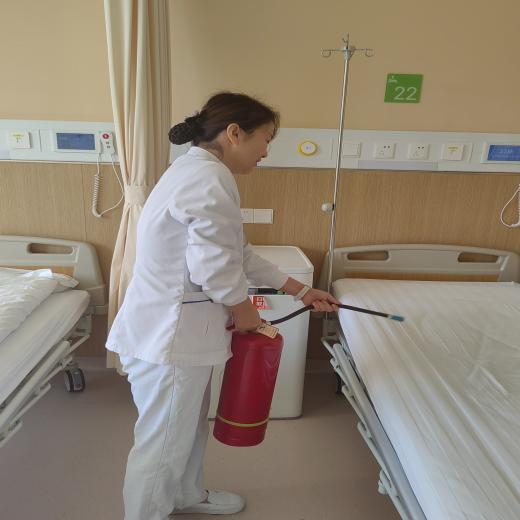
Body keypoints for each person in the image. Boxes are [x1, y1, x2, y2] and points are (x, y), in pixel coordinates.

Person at [106, 92, 340, 520]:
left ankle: (184, 494)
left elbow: (238, 253)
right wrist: (243, 309)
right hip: (171, 337)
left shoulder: (199, 172)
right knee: (163, 440)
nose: (266, 151)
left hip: (178, 332)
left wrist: (300, 290)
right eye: (266, 138)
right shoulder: (206, 178)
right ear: (235, 133)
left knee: (186, 426)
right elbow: (212, 265)